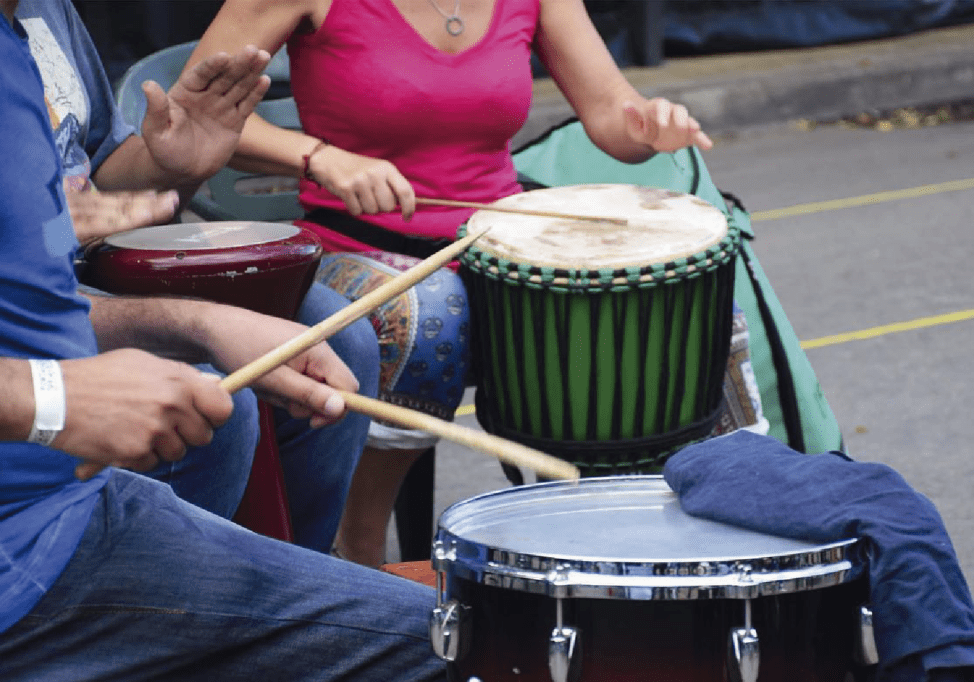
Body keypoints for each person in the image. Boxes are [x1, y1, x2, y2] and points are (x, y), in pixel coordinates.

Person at [184, 0, 765, 567]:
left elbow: (612, 111)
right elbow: (193, 114)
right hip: (353, 247)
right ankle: (357, 551)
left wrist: (648, 124)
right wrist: (318, 156)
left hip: (497, 246)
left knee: (684, 304)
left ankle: (717, 545)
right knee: (430, 312)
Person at [0, 8, 445, 679]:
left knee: (327, 341)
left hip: (65, 512)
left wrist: (198, 319)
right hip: (28, 556)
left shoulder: (24, 35)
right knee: (451, 643)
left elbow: (41, 271)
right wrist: (52, 395)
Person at [16, 0, 384, 554]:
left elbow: (97, 173)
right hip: (29, 306)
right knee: (211, 403)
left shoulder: (47, 9)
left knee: (339, 337)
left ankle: (294, 564)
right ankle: (165, 593)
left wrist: (173, 165)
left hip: (95, 267)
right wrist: (46, 231)